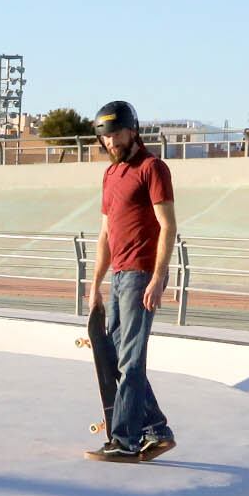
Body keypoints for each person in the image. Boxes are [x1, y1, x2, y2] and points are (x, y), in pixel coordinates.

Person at [86, 100, 179, 463]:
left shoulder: (153, 168)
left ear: (132, 131)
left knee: (131, 360)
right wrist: (95, 283)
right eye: (105, 138)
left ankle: (125, 440)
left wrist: (158, 277)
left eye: (115, 135)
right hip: (120, 275)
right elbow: (105, 234)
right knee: (120, 357)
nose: (110, 143)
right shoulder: (110, 176)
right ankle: (156, 430)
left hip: (142, 275)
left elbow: (168, 226)